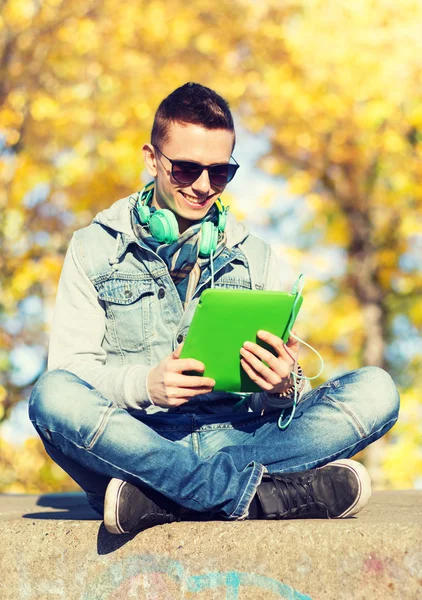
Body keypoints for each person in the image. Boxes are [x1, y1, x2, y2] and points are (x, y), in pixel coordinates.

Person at [29, 83, 399, 535]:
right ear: (151, 159)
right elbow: (72, 373)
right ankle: (263, 497)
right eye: (185, 169)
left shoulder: (258, 256)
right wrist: (144, 385)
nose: (204, 187)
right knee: (51, 396)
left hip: (239, 438)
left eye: (220, 173)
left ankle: (160, 499)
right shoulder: (92, 248)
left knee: (377, 390)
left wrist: (284, 385)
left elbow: (276, 398)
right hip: (138, 439)